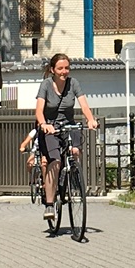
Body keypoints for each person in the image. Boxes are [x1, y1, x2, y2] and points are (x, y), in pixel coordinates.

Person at [34, 52, 99, 210]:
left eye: (67, 68)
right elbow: (38, 110)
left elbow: (84, 105)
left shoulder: (73, 83)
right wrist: (44, 124)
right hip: (50, 128)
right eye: (60, 68)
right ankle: (49, 203)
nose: (64, 72)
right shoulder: (46, 85)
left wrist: (90, 119)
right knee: (55, 162)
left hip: (68, 126)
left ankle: (70, 178)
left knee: (75, 151)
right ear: (53, 70)